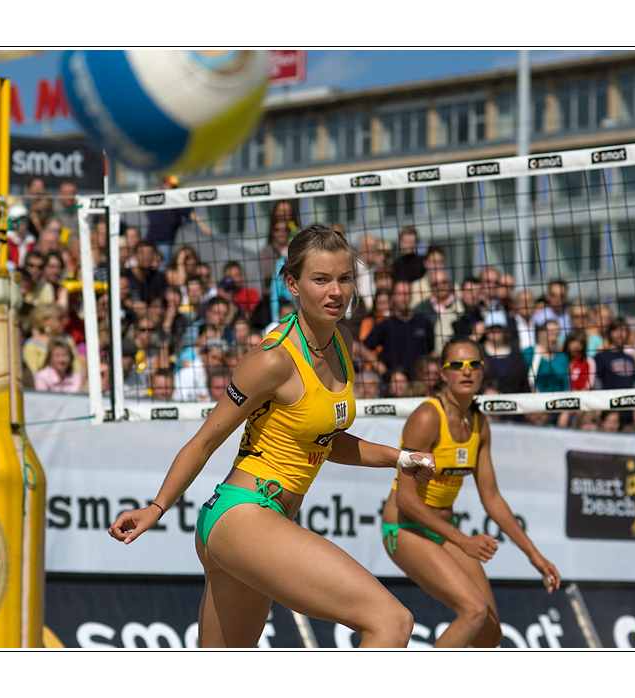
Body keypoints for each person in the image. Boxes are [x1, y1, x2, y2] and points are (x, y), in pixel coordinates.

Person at [108, 225, 435, 648]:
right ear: (292, 284)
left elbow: (324, 439)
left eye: (345, 278)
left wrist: (399, 458)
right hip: (243, 515)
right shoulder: (271, 360)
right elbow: (206, 440)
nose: (336, 291)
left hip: (262, 524)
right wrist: (156, 507)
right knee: (391, 622)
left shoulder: (343, 342)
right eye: (321, 280)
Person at [382, 336, 561, 647]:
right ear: (442, 374)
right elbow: (406, 500)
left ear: (482, 371)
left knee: (490, 632)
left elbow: (491, 497)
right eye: (457, 365)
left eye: (474, 364)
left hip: (443, 531)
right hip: (404, 528)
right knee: (473, 611)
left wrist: (534, 555)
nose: (466, 371)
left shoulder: (479, 423)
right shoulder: (427, 417)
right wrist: (463, 540)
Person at [362, 279, 435, 383]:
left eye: (407, 294)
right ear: (393, 297)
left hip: (419, 382)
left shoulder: (424, 323)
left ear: (411, 296)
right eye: (400, 294)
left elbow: (431, 352)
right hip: (394, 383)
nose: (404, 298)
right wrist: (381, 368)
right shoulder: (385, 325)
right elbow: (363, 347)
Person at [145, 175, 212, 270]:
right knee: (146, 266)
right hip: (150, 241)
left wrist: (203, 227)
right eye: (171, 186)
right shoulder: (154, 198)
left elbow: (192, 214)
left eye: (174, 187)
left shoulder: (177, 201)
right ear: (163, 185)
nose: (173, 189)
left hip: (165, 241)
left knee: (162, 268)